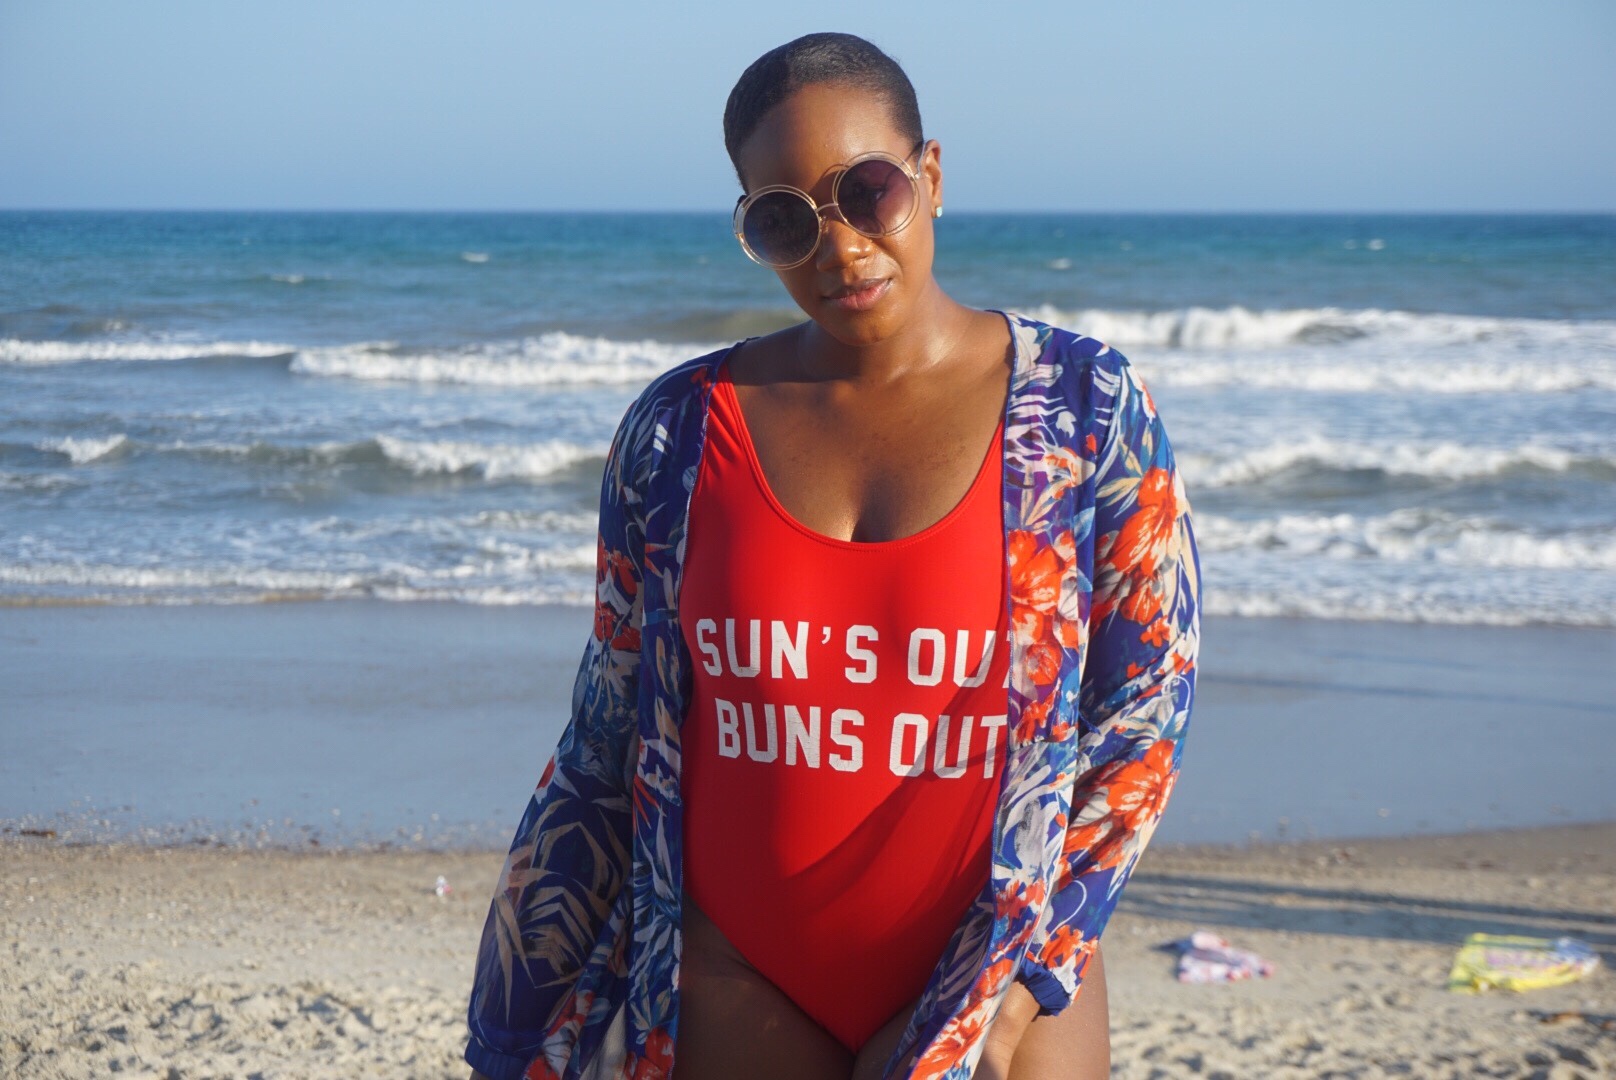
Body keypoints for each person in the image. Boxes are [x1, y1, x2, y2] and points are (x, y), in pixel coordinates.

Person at [465, 32, 1201, 1080]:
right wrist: (515, 1009)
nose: (840, 246)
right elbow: (609, 727)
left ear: (930, 175)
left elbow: (1141, 716)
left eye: (868, 192)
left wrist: (1024, 986)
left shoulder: (1084, 410)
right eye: (785, 219)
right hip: (732, 975)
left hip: (992, 961)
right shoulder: (678, 431)